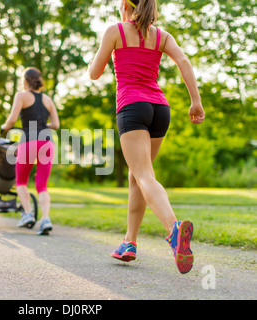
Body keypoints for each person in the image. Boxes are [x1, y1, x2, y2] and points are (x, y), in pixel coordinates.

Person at [88, 0, 205, 274]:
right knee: (136, 176)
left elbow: (94, 73)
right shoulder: (161, 35)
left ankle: (174, 230)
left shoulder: (115, 31)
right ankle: (129, 242)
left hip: (132, 106)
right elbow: (184, 61)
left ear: (126, 5)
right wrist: (195, 101)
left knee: (144, 176)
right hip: (159, 109)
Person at [1, 67, 60, 235]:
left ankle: (28, 214)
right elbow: (56, 125)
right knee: (42, 185)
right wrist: (43, 125)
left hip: (29, 141)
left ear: (26, 81)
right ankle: (46, 219)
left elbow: (12, 120)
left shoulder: (21, 96)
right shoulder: (48, 99)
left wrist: (4, 127)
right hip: (47, 142)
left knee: (21, 181)